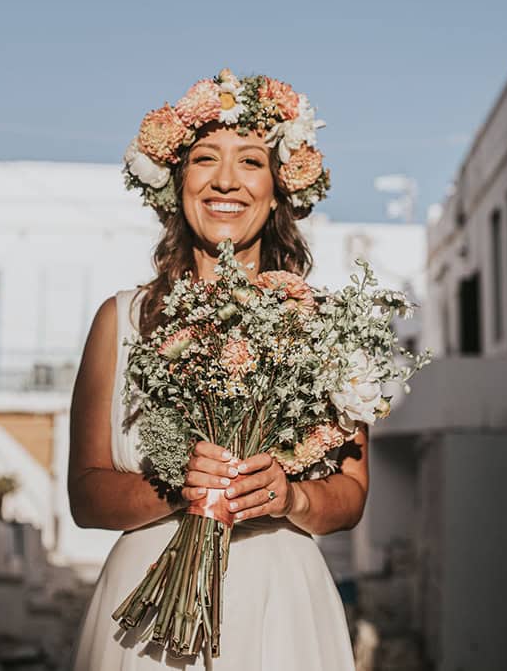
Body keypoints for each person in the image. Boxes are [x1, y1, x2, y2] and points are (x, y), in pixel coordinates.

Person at [68, 69, 368, 670]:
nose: (226, 180)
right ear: (177, 183)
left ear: (280, 188)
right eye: (205, 159)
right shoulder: (121, 320)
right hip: (146, 614)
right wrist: (178, 489)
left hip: (281, 607)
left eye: (251, 162)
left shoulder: (323, 325)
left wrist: (290, 498)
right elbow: (85, 495)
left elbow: (352, 494)